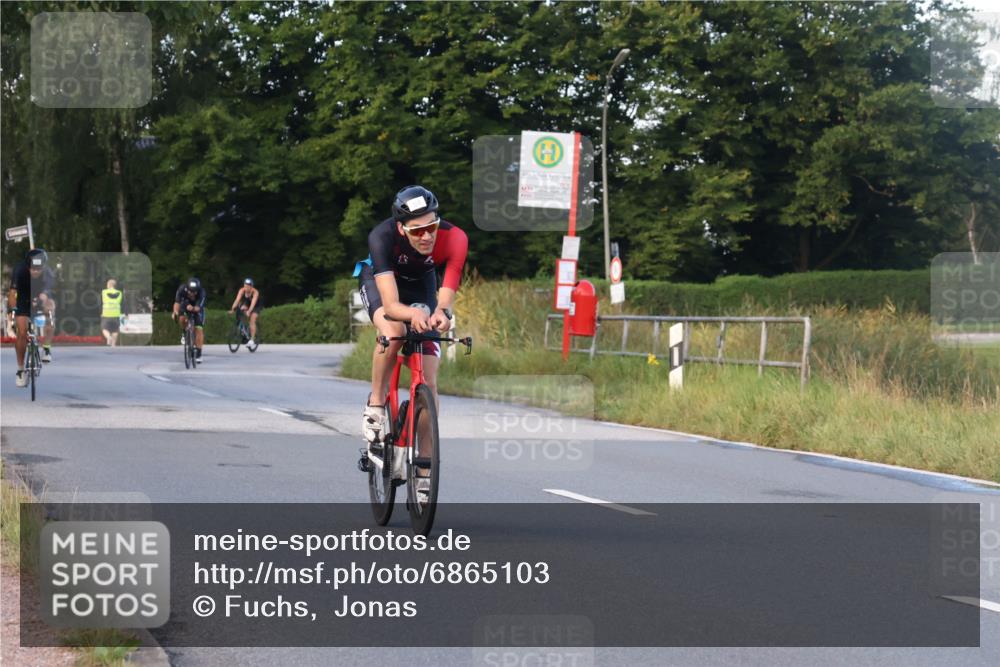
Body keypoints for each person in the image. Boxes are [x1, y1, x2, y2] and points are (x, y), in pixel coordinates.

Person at [354, 185, 468, 497]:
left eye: (431, 227)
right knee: (395, 332)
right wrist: (409, 316)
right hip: (382, 284)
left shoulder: (455, 238)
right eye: (417, 231)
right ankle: (376, 405)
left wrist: (441, 313)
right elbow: (391, 306)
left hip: (421, 286)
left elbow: (446, 291)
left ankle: (423, 468)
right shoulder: (382, 237)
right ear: (402, 229)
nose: (426, 236)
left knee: (429, 381)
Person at [7, 248, 57, 387]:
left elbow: (46, 294)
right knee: (21, 332)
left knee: (51, 307)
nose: (35, 271)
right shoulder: (20, 270)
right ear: (27, 266)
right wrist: (13, 312)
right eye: (32, 269)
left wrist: (43, 300)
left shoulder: (47, 273)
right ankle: (20, 370)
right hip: (23, 298)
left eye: (38, 269)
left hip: (40, 295)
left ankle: (46, 347)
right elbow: (12, 294)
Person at [172, 277, 206, 363]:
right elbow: (177, 303)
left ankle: (198, 353)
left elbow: (198, 308)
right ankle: (184, 332)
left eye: (194, 292)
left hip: (196, 307)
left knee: (199, 329)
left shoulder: (202, 292)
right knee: (181, 317)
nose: (192, 294)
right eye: (190, 291)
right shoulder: (181, 289)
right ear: (187, 289)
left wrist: (193, 308)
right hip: (185, 304)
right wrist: (175, 312)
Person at [228, 277, 261, 346]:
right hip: (247, 303)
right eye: (245, 286)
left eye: (248, 286)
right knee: (241, 309)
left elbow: (253, 304)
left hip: (256, 305)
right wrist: (232, 309)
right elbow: (237, 300)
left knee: (252, 319)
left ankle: (252, 339)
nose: (246, 288)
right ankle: (244, 329)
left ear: (251, 286)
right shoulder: (242, 290)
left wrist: (249, 311)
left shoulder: (255, 292)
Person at [101, 279, 124, 347]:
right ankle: (113, 345)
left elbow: (101, 303)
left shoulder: (104, 292)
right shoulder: (120, 293)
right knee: (115, 330)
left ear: (109, 285)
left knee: (104, 328)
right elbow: (123, 303)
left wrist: (101, 312)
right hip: (116, 314)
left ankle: (108, 337)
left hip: (106, 313)